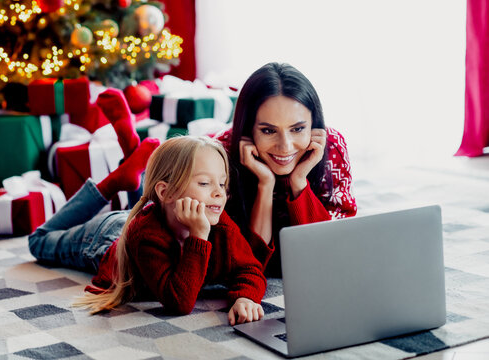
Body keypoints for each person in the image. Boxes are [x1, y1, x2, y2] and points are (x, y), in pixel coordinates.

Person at [29, 90, 266, 324]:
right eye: (205, 183)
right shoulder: (147, 234)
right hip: (104, 237)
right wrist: (199, 236)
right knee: (39, 240)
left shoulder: (218, 219)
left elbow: (251, 269)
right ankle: (113, 182)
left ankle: (132, 157)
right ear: (165, 192)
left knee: (156, 209)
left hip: (155, 213)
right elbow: (179, 302)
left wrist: (245, 296)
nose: (219, 193)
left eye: (223, 183)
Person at [217, 62, 357, 277]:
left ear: (314, 123)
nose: (285, 146)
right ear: (247, 129)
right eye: (268, 131)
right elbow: (246, 264)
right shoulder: (222, 154)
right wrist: (265, 184)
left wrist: (299, 181)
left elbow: (330, 252)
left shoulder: (332, 147)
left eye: (298, 129)